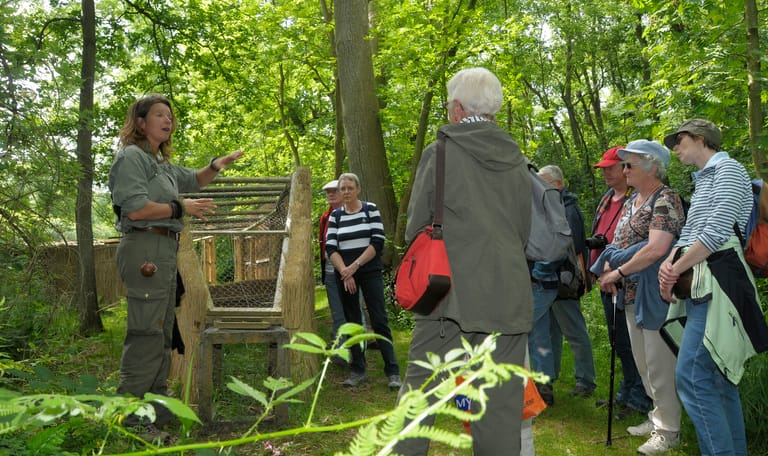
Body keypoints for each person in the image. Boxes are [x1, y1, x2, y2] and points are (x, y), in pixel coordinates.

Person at [395, 67, 532, 455]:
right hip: (507, 293)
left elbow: (416, 227)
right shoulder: (517, 158)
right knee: (499, 406)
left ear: (456, 108)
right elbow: (523, 231)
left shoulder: (440, 152)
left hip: (448, 293)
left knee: (420, 396)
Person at [108, 94, 243, 431]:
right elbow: (135, 209)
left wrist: (216, 166)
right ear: (141, 122)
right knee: (146, 333)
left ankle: (156, 408)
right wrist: (181, 207)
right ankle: (131, 416)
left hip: (163, 250)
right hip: (144, 248)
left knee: (162, 331)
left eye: (170, 115)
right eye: (159, 114)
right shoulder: (131, 158)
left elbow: (195, 180)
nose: (168, 120)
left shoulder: (161, 164)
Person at [659, 119, 768, 455]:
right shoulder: (705, 178)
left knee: (692, 375)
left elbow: (716, 233)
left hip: (719, 279)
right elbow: (692, 232)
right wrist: (669, 263)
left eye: (679, 140)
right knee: (719, 380)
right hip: (702, 279)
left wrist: (675, 269)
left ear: (700, 139)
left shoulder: (729, 170)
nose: (675, 148)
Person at [595, 139, 685, 455]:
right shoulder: (634, 199)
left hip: (656, 294)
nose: (624, 170)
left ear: (650, 167)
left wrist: (618, 272)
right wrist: (608, 264)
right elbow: (620, 241)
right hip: (631, 293)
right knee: (643, 362)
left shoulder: (666, 199)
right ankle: (657, 416)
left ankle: (669, 430)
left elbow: (657, 248)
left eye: (629, 165)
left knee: (660, 364)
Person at [588, 146, 651, 417]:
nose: (607, 173)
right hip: (607, 277)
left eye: (611, 167)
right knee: (620, 342)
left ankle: (640, 398)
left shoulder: (638, 199)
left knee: (634, 341)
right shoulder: (607, 199)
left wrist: (613, 268)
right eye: (603, 169)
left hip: (628, 278)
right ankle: (626, 391)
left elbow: (637, 242)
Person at [324, 172, 401, 389]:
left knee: (379, 319)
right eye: (342, 189)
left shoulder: (370, 209)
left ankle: (393, 371)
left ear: (358, 189)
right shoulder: (335, 216)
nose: (346, 192)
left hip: (368, 271)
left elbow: (377, 241)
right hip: (345, 274)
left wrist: (354, 267)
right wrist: (345, 272)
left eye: (350, 188)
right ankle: (357, 370)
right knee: (352, 321)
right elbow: (331, 247)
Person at [537, 165, 597, 399]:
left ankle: (586, 381)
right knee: (549, 331)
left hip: (565, 281)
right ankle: (548, 377)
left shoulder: (569, 209)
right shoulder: (549, 206)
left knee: (574, 331)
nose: (540, 186)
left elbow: (571, 246)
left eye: (545, 182)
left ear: (559, 184)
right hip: (548, 279)